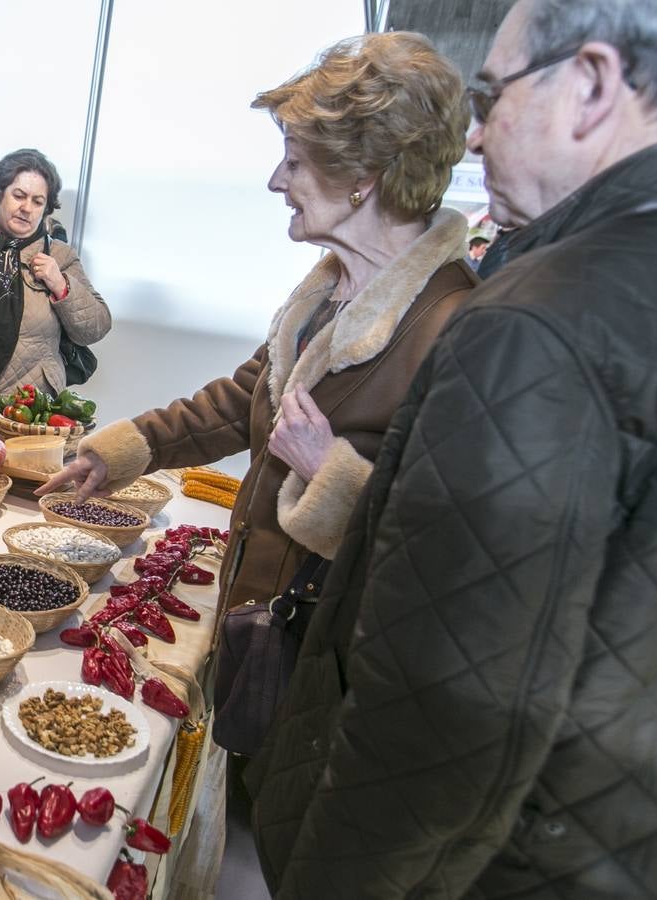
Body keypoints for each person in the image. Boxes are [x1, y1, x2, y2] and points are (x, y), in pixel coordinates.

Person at [248, 1, 657, 896]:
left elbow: (445, 706)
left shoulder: (534, 320)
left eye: (493, 96)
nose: (478, 135)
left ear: (592, 85)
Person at [41, 31, 475, 625]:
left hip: (330, 646)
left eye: (295, 160)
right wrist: (126, 450)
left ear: (363, 175)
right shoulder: (329, 291)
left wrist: (329, 473)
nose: (276, 181)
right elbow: (247, 399)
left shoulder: (457, 326)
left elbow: (453, 546)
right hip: (264, 614)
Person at [0, 149, 111, 429]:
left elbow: (95, 328)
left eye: (37, 201)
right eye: (18, 196)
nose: (26, 207)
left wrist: (60, 284)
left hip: (26, 412)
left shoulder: (60, 255)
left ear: (46, 207)